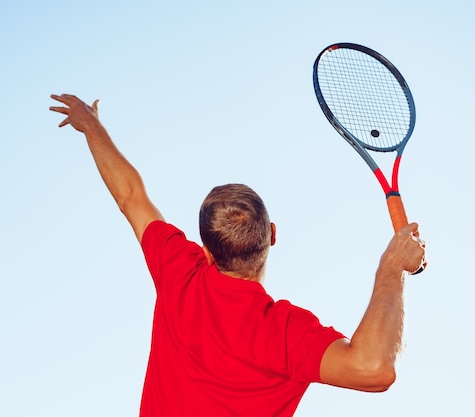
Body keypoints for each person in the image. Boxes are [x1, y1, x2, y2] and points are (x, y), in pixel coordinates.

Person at [49, 94, 427, 417]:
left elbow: (130, 196)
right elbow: (373, 368)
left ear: (206, 252)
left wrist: (91, 126)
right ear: (272, 235)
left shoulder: (180, 272)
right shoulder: (283, 333)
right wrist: (392, 268)